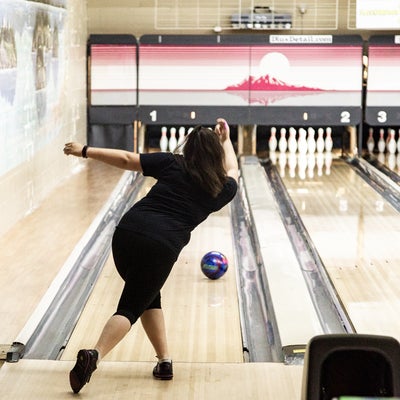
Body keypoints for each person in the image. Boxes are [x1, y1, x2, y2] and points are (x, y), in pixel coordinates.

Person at [63, 118, 238, 393]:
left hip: (126, 233)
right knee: (131, 306)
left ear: (189, 148)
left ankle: (164, 360)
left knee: (147, 294)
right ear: (215, 155)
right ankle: (94, 355)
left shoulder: (173, 163)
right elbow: (234, 170)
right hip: (161, 246)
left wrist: (84, 150)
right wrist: (226, 141)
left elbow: (126, 159)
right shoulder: (221, 188)